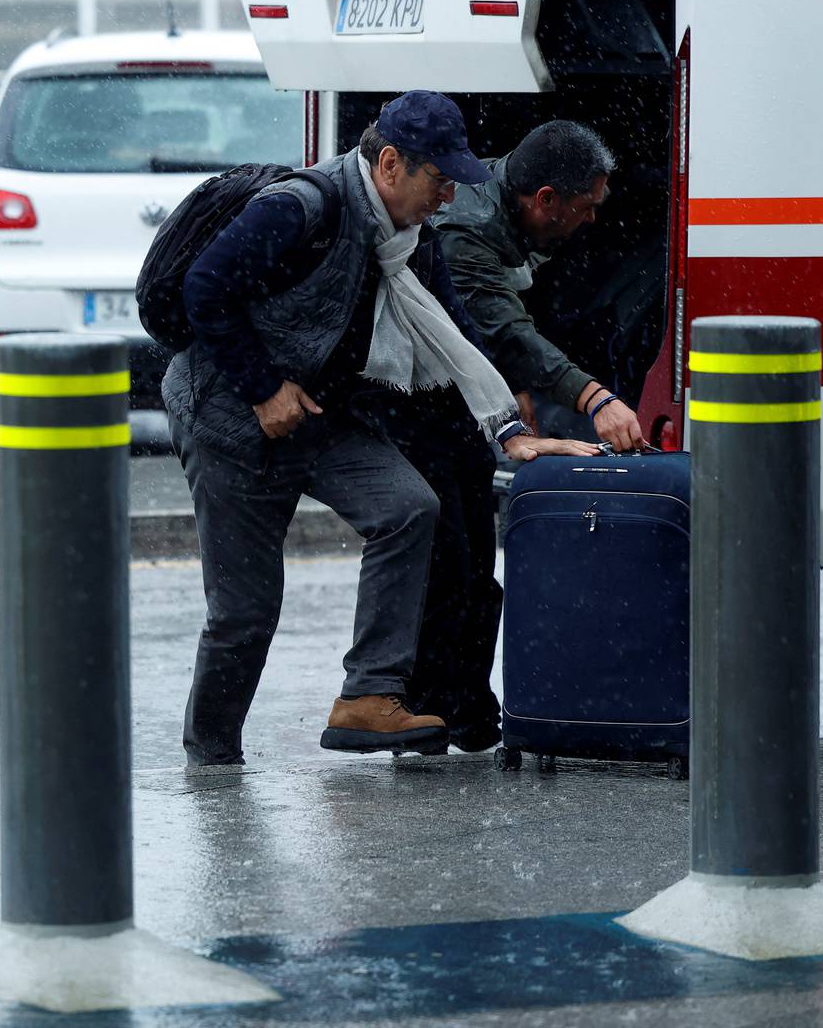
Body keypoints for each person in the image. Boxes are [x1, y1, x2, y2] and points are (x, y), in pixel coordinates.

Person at [162, 91, 597, 768]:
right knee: (244, 614)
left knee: (408, 507)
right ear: (390, 165)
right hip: (230, 418)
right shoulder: (300, 208)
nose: (447, 199)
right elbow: (204, 287)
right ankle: (212, 760)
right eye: (440, 181)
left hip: (320, 416)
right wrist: (263, 388)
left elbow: (456, 334)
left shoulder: (408, 241)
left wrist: (509, 429)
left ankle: (368, 695)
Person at [434, 120, 648, 451]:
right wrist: (597, 400)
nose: (591, 218)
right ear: (545, 198)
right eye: (586, 206)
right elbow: (507, 332)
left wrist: (514, 384)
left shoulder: (508, 185)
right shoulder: (465, 234)